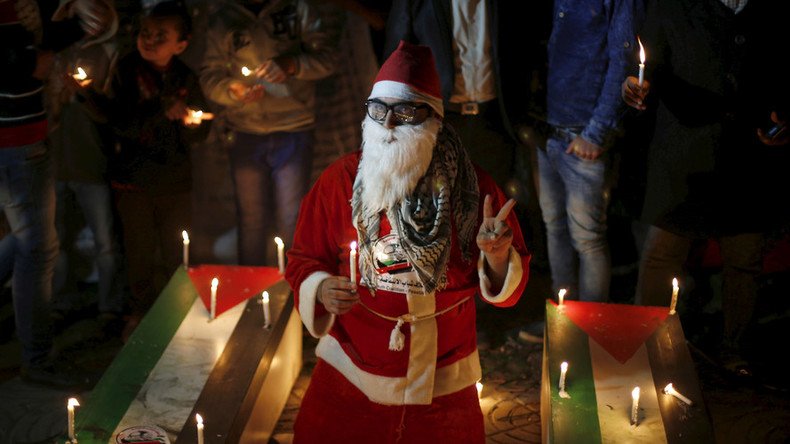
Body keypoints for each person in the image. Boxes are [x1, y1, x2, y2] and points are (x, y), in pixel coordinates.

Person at [285, 41, 530, 443]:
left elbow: (507, 287)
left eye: (405, 113)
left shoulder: (473, 189)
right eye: (378, 111)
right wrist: (321, 287)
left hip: (445, 374)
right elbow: (303, 260)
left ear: (434, 120)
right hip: (354, 367)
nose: (388, 126)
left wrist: (499, 258)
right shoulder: (339, 180)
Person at [622, 0, 790, 377]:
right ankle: (642, 350)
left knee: (744, 261)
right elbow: (645, 64)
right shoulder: (672, 6)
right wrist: (633, 85)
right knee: (660, 257)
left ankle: (734, 352)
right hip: (684, 157)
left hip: (749, 157)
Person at [1, 0, 116, 388]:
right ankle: (38, 359)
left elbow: (57, 36)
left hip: (31, 132)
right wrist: (26, 63)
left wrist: (77, 21)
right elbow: (23, 59)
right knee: (37, 247)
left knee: (29, 242)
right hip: (14, 140)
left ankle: (36, 354)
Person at [95, 0, 211, 340]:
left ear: (181, 43)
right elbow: (120, 122)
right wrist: (163, 108)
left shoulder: (185, 76)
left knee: (177, 248)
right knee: (139, 251)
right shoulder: (125, 71)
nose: (150, 40)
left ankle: (176, 309)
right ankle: (139, 312)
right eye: (146, 33)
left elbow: (202, 126)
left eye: (161, 35)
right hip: (133, 180)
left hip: (175, 180)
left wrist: (192, 121)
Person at [199, 0, 338, 266]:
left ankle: (294, 287)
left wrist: (292, 64)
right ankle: (250, 289)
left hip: (294, 127)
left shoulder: (298, 8)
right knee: (250, 218)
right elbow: (210, 74)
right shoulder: (224, 17)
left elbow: (328, 57)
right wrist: (232, 90)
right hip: (245, 131)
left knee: (291, 217)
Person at [46, 0, 125, 335]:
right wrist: (58, 96)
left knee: (105, 240)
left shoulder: (111, 54)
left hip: (92, 160)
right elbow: (47, 105)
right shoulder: (58, 51)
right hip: (55, 162)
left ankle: (111, 306)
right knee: (56, 239)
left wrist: (84, 96)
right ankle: (60, 303)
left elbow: (111, 113)